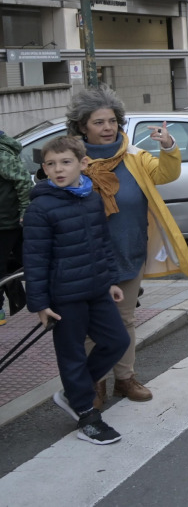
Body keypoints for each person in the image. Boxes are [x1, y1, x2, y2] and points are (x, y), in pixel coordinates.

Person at [68, 87, 188, 408]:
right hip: (87, 258)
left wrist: (168, 146)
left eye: (111, 120)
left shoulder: (134, 157)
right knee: (89, 325)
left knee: (124, 320)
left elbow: (167, 173)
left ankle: (124, 379)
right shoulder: (74, 162)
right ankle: (95, 383)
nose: (107, 127)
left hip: (128, 252)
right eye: (98, 122)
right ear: (82, 126)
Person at [24, 136, 130, 445]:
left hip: (96, 288)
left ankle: (74, 392)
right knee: (71, 355)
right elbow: (35, 259)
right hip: (64, 296)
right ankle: (86, 413)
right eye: (51, 164)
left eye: (65, 162)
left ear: (82, 163)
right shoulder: (41, 208)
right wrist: (40, 304)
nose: (58, 169)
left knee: (117, 340)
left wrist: (110, 280)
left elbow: (101, 243)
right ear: (44, 168)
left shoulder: (91, 197)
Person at [0, 129, 33, 322]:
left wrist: (24, 213)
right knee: (23, 262)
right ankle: (20, 300)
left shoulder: (2, 156)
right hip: (8, 220)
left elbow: (24, 182)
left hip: (6, 222)